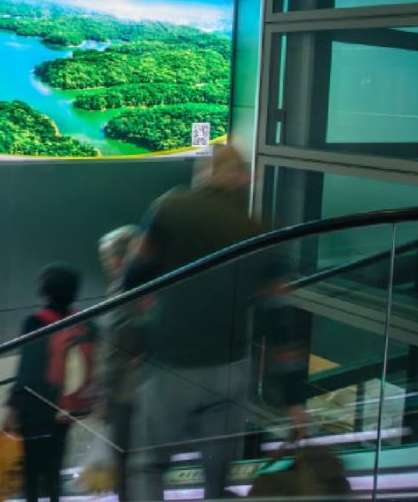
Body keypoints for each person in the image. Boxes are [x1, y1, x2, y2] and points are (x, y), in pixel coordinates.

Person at [121, 144, 303, 501]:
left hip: (174, 364)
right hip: (232, 369)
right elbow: (279, 313)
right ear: (241, 177)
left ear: (204, 172)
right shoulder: (259, 229)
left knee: (148, 466)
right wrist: (294, 399)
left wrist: (137, 334)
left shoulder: (170, 208)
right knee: (217, 477)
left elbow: (133, 278)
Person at [7, 263, 96, 502]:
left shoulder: (35, 322)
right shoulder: (84, 322)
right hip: (66, 405)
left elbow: (27, 368)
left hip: (37, 405)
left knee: (32, 471)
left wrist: (13, 406)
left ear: (45, 291)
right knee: (54, 467)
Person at [94, 225, 141, 498]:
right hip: (148, 390)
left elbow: (113, 350)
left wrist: (103, 393)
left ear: (118, 258)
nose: (106, 263)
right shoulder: (155, 286)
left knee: (124, 465)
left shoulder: (124, 292)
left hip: (124, 394)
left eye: (106, 257)